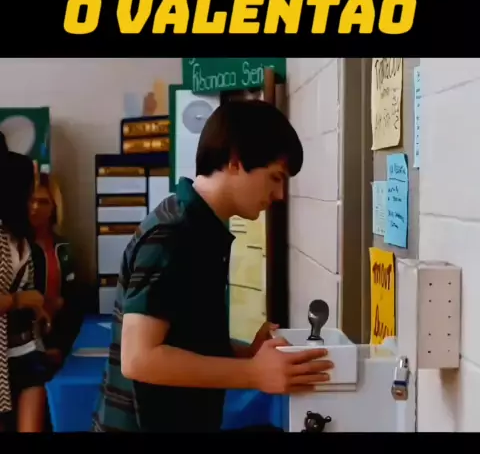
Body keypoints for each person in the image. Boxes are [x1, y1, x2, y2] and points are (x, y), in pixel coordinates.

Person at [93, 100, 333, 433]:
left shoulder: (202, 229)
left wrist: (247, 355)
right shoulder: (174, 233)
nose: (279, 195)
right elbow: (139, 359)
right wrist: (253, 374)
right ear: (235, 161)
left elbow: (185, 340)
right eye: (274, 178)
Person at [0, 138, 49, 432]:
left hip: (24, 345)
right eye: (30, 192)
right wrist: (21, 300)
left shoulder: (22, 238)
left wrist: (37, 309)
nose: (34, 201)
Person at [29, 171, 81, 375]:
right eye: (31, 201)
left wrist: (60, 344)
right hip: (24, 344)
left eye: (43, 202)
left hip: (59, 338)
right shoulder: (14, 247)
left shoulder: (63, 247)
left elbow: (73, 301)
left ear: (54, 207)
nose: (35, 207)